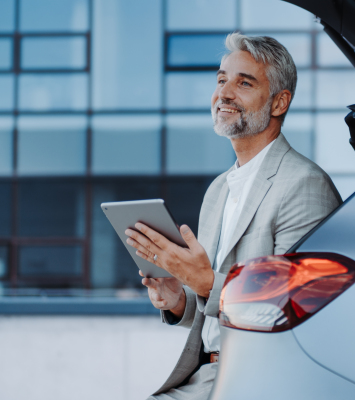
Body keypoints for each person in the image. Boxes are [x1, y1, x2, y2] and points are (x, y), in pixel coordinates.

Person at [125, 33, 341, 399]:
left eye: (244, 82)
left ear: (279, 103)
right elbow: (215, 309)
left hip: (262, 380)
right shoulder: (219, 189)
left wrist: (206, 282)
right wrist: (180, 298)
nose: (224, 92)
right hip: (208, 376)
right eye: (221, 79)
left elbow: (293, 309)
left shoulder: (305, 185)